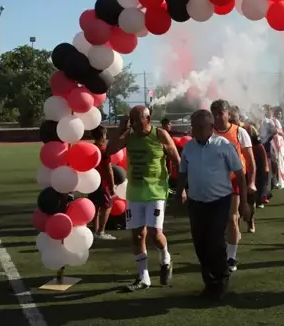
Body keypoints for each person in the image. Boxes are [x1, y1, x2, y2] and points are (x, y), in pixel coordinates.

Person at [176, 110, 250, 300]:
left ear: (210, 127)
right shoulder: (189, 147)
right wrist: (179, 193)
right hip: (196, 202)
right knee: (200, 244)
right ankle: (210, 284)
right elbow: (183, 173)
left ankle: (220, 282)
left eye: (200, 126)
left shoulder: (224, 146)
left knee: (215, 243)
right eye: (194, 126)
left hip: (220, 201)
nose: (196, 130)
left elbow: (240, 175)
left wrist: (244, 203)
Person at [106, 105, 181, 291]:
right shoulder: (129, 135)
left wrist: (182, 188)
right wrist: (120, 128)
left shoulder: (160, 134)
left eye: (136, 119)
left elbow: (177, 159)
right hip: (135, 192)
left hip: (156, 191)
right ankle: (143, 277)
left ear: (147, 119)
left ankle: (165, 259)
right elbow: (109, 150)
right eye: (131, 119)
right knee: (138, 235)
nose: (134, 123)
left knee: (155, 234)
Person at [210, 99, 256, 272]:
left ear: (228, 114)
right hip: (214, 181)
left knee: (232, 217)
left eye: (220, 113)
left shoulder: (239, 132)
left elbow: (250, 161)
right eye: (214, 114)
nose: (217, 117)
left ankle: (231, 258)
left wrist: (251, 182)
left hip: (235, 180)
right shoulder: (209, 132)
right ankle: (223, 249)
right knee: (215, 220)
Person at [230, 106, 268, 228]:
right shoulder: (225, 131)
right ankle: (236, 224)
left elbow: (260, 148)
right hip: (233, 172)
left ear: (238, 117)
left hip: (249, 169)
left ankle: (251, 220)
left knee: (250, 198)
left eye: (234, 118)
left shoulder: (248, 129)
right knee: (235, 200)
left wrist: (265, 165)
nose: (231, 121)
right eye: (230, 118)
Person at [88, 125, 116, 240]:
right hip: (102, 183)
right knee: (107, 206)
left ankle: (95, 231)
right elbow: (109, 170)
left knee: (95, 206)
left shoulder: (91, 149)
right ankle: (101, 231)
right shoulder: (104, 151)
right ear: (103, 136)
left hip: (91, 182)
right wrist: (112, 186)